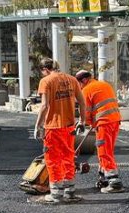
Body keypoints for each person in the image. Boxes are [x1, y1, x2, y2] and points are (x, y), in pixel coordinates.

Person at [34, 58, 87, 203]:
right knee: (68, 157)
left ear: (45, 69)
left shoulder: (46, 81)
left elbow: (44, 106)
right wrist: (82, 121)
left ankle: (56, 194)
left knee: (52, 159)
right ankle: (70, 192)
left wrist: (38, 126)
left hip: (52, 127)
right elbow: (82, 102)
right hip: (69, 126)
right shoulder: (71, 79)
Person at [75, 70, 124, 193]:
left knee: (104, 152)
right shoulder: (104, 84)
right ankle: (104, 177)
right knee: (107, 150)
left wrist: (82, 123)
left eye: (79, 84)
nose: (79, 87)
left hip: (104, 123)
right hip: (115, 121)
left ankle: (114, 182)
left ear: (84, 80)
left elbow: (86, 113)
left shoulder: (86, 90)